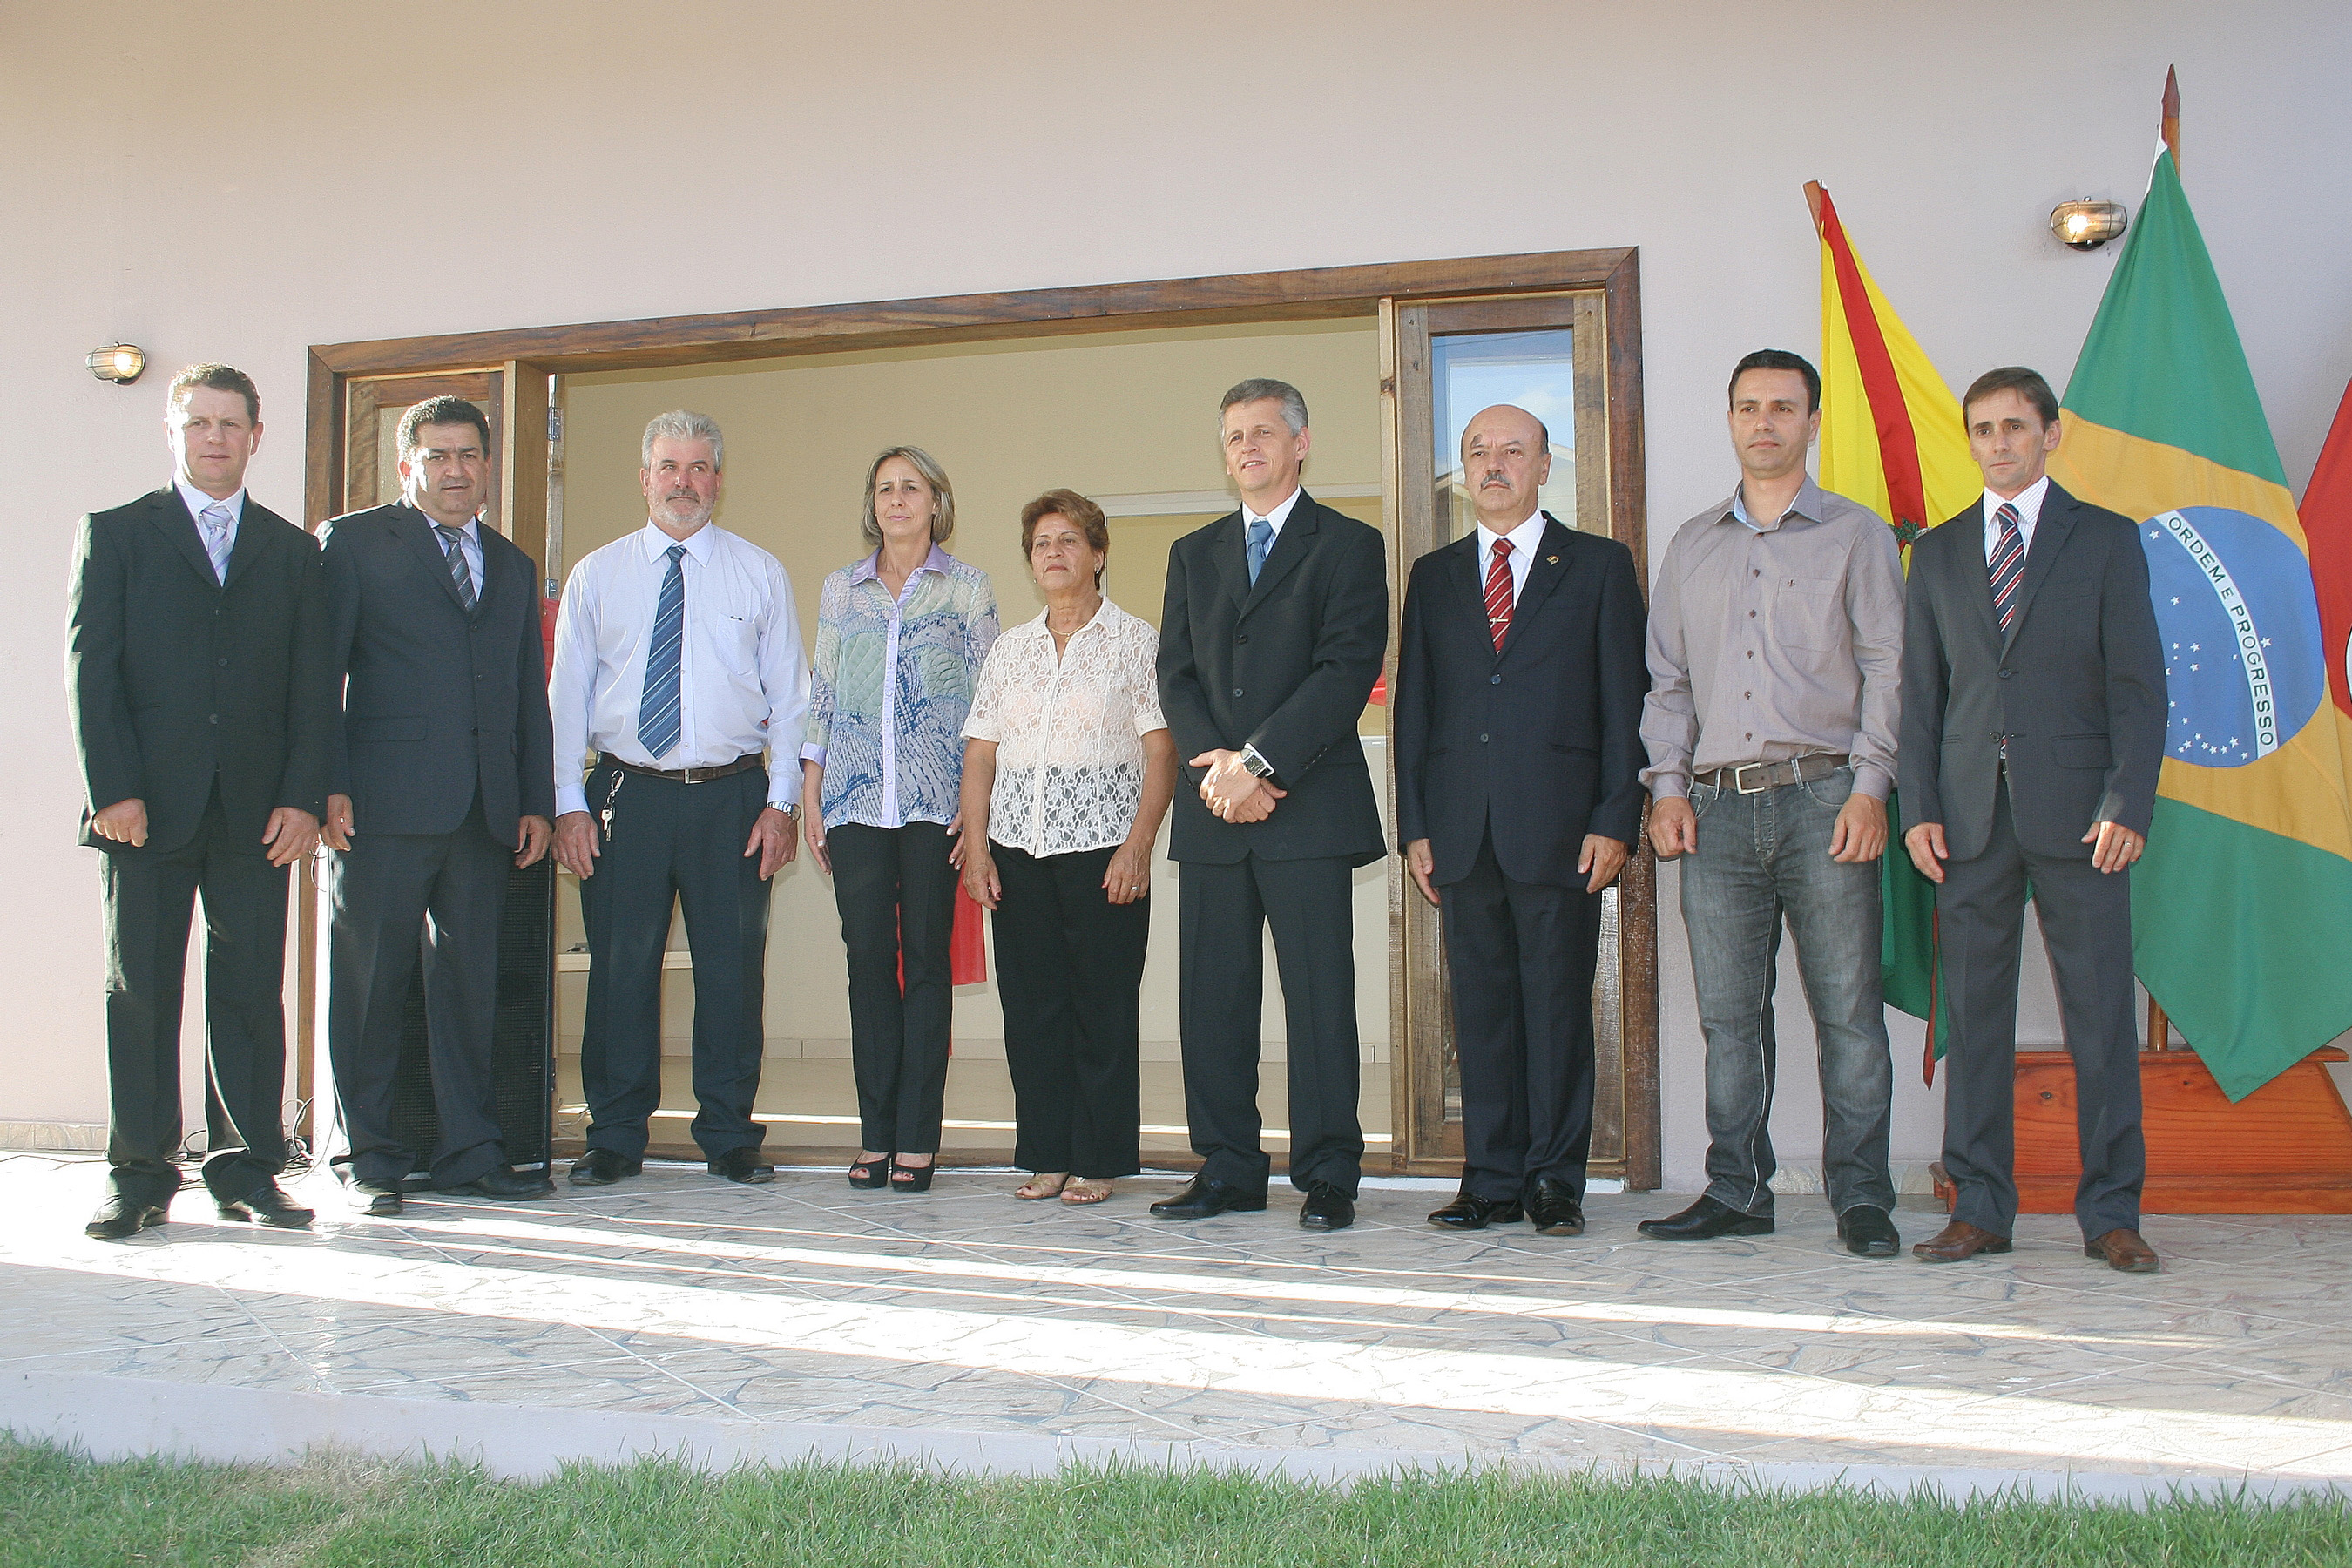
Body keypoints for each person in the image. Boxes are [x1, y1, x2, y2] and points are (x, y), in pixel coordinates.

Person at [1639, 349, 1905, 1258]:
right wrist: (1667, 789)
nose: (1764, 422)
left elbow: (1888, 669)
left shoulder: (1857, 536)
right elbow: (1666, 683)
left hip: (1825, 799)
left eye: (1782, 407)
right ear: (1730, 420)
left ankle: (1863, 1198)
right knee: (1728, 1017)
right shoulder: (1692, 545)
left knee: (1847, 1011)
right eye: (1749, 406)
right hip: (1714, 812)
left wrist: (1872, 788)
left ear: (1811, 421)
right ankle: (1737, 1190)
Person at [1900, 368, 2166, 1273]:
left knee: (2100, 1020)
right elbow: (1920, 702)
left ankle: (2113, 1214)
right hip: (1970, 821)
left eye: (2016, 426)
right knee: (1974, 1021)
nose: (1999, 443)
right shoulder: (1934, 555)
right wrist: (1919, 810)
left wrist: (2129, 801)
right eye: (1983, 429)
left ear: (2052, 434)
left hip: (2085, 818)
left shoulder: (2106, 541)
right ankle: (1979, 1208)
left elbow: (2138, 687)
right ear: (1969, 440)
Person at [66, 364, 332, 1240]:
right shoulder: (117, 535)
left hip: (257, 815)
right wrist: (116, 791)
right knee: (141, 990)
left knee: (251, 991)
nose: (214, 438)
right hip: (144, 811)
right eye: (198, 423)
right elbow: (91, 673)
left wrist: (301, 798)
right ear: (175, 435)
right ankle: (140, 1173)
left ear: (257, 436)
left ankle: (247, 1167)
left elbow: (311, 687)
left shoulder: (293, 553)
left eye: (231, 424)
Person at [1393, 405, 1648, 1237]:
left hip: (1563, 829)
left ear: (1546, 467)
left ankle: (1553, 1183)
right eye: (1478, 453)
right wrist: (1417, 826)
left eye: (1512, 451)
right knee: (1482, 1016)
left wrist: (1617, 817)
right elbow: (1416, 712)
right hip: (1463, 832)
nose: (1494, 465)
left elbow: (1625, 703)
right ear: (1463, 472)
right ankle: (1490, 1180)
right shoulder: (1432, 578)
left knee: (1556, 1009)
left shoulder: (1600, 567)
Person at [1153, 378, 1389, 1232]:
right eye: (1233, 437)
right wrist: (1219, 771)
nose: (1246, 447)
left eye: (1262, 433)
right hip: (1215, 811)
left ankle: (1328, 1176)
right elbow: (1174, 673)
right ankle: (1227, 1166)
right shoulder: (1193, 552)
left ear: (1301, 443)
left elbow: (1345, 670)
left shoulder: (1350, 545)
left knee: (1319, 997)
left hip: (1307, 808)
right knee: (1213, 998)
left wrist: (1256, 762)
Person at [550, 411, 808, 1188]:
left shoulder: (758, 572)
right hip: (625, 795)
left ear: (718, 481)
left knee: (732, 975)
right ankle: (617, 1134)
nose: (683, 483)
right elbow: (565, 698)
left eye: (699, 468)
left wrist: (784, 803)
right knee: (621, 971)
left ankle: (729, 1133)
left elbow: (792, 700)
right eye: (669, 467)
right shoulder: (599, 574)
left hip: (733, 799)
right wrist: (568, 803)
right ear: (645, 478)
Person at [319, 395, 557, 1215]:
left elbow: (528, 689)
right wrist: (325, 784)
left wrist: (532, 798)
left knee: (469, 988)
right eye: (436, 455)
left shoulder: (512, 562)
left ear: (488, 467)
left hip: (484, 814)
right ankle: (370, 1154)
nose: (454, 470)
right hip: (381, 806)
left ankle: (470, 1149)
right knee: (371, 984)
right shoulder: (351, 543)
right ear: (406, 465)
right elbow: (320, 677)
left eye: (468, 455)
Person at [959, 490, 1176, 1206]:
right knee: (1031, 1009)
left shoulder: (1136, 641)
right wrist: (978, 847)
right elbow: (981, 755)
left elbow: (1161, 750)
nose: (1054, 553)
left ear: (1099, 553)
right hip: (1017, 852)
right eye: (1042, 543)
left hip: (1104, 853)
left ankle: (1099, 1155)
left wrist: (1138, 846)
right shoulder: (1009, 650)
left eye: (1069, 540)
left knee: (1102, 1009)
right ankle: (1047, 1152)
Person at [802, 446, 997, 1193]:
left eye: (910, 487)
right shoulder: (840, 591)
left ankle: (918, 1139)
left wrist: (975, 813)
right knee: (865, 968)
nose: (895, 499)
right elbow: (822, 697)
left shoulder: (968, 588)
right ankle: (874, 1135)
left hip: (933, 807)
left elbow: (987, 707)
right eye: (884, 488)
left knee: (925, 965)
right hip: (852, 802)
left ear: (936, 501)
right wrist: (811, 792)